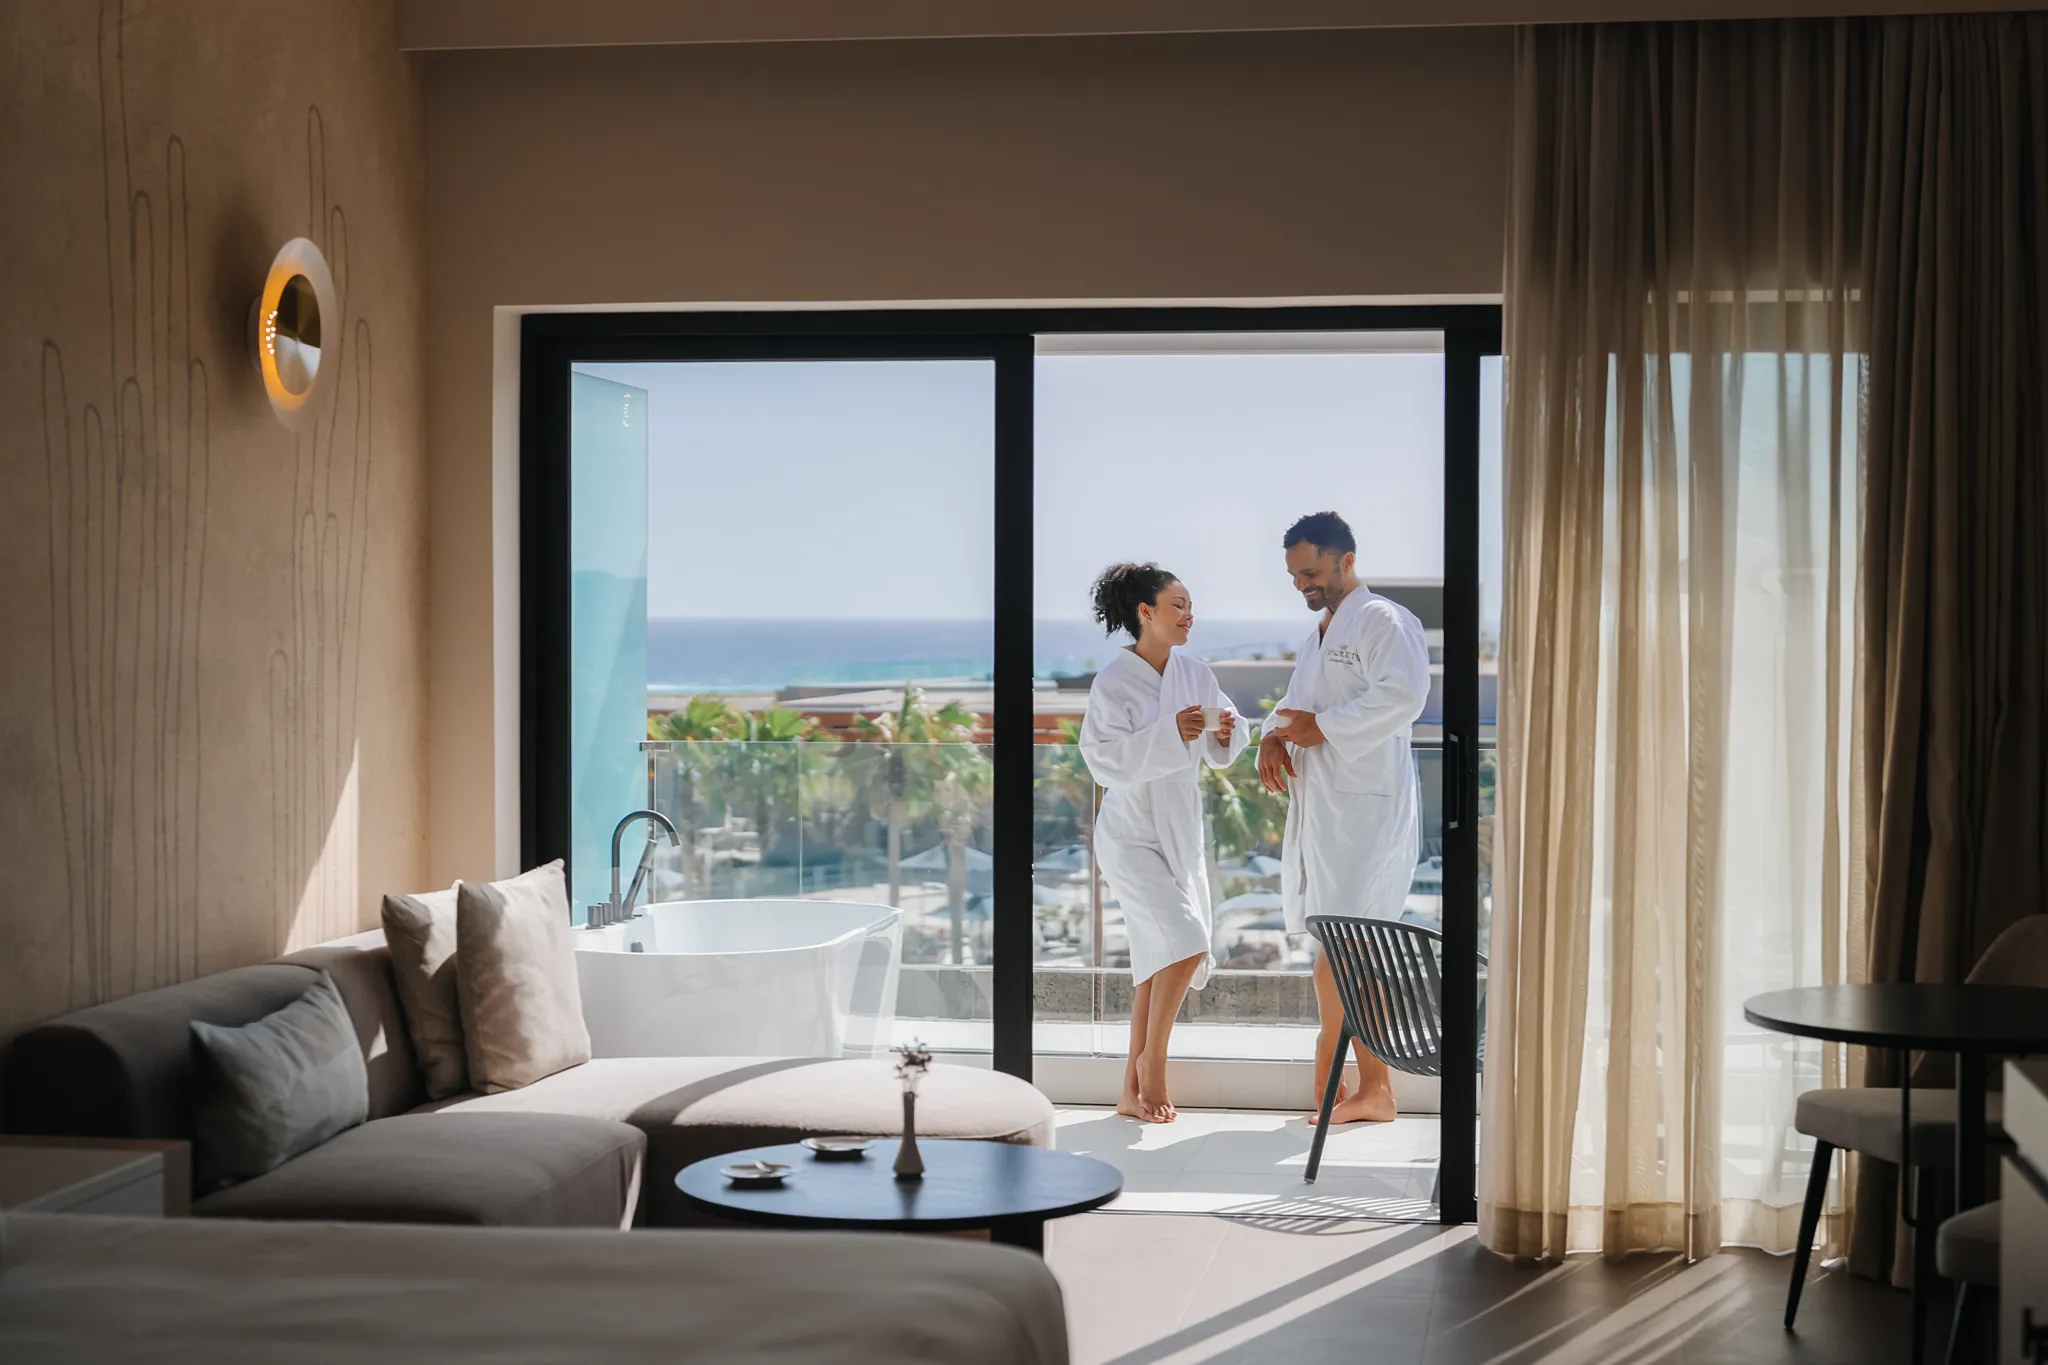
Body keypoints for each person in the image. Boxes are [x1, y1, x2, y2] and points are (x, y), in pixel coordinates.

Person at [1256, 512, 1430, 1125]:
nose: (1302, 585)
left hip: (1366, 810)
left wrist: (1321, 728)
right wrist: (1275, 736)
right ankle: (1352, 1071)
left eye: (1311, 572)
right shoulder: (1323, 632)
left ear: (1346, 560)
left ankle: (1363, 1078)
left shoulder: (1382, 620)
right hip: (1327, 809)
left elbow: (1404, 694)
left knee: (1354, 943)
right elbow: (1299, 703)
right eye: (1294, 576)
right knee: (1337, 939)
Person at [1080, 563, 1249, 1124]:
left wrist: (1228, 732)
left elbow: (1231, 729)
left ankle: (1130, 1089)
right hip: (1129, 833)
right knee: (1187, 938)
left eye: (1190, 605)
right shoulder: (1112, 683)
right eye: (1177, 604)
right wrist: (1167, 735)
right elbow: (1102, 761)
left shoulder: (1195, 672)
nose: (1188, 615)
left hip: (1178, 827)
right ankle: (1154, 1062)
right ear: (1144, 612)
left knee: (1157, 960)